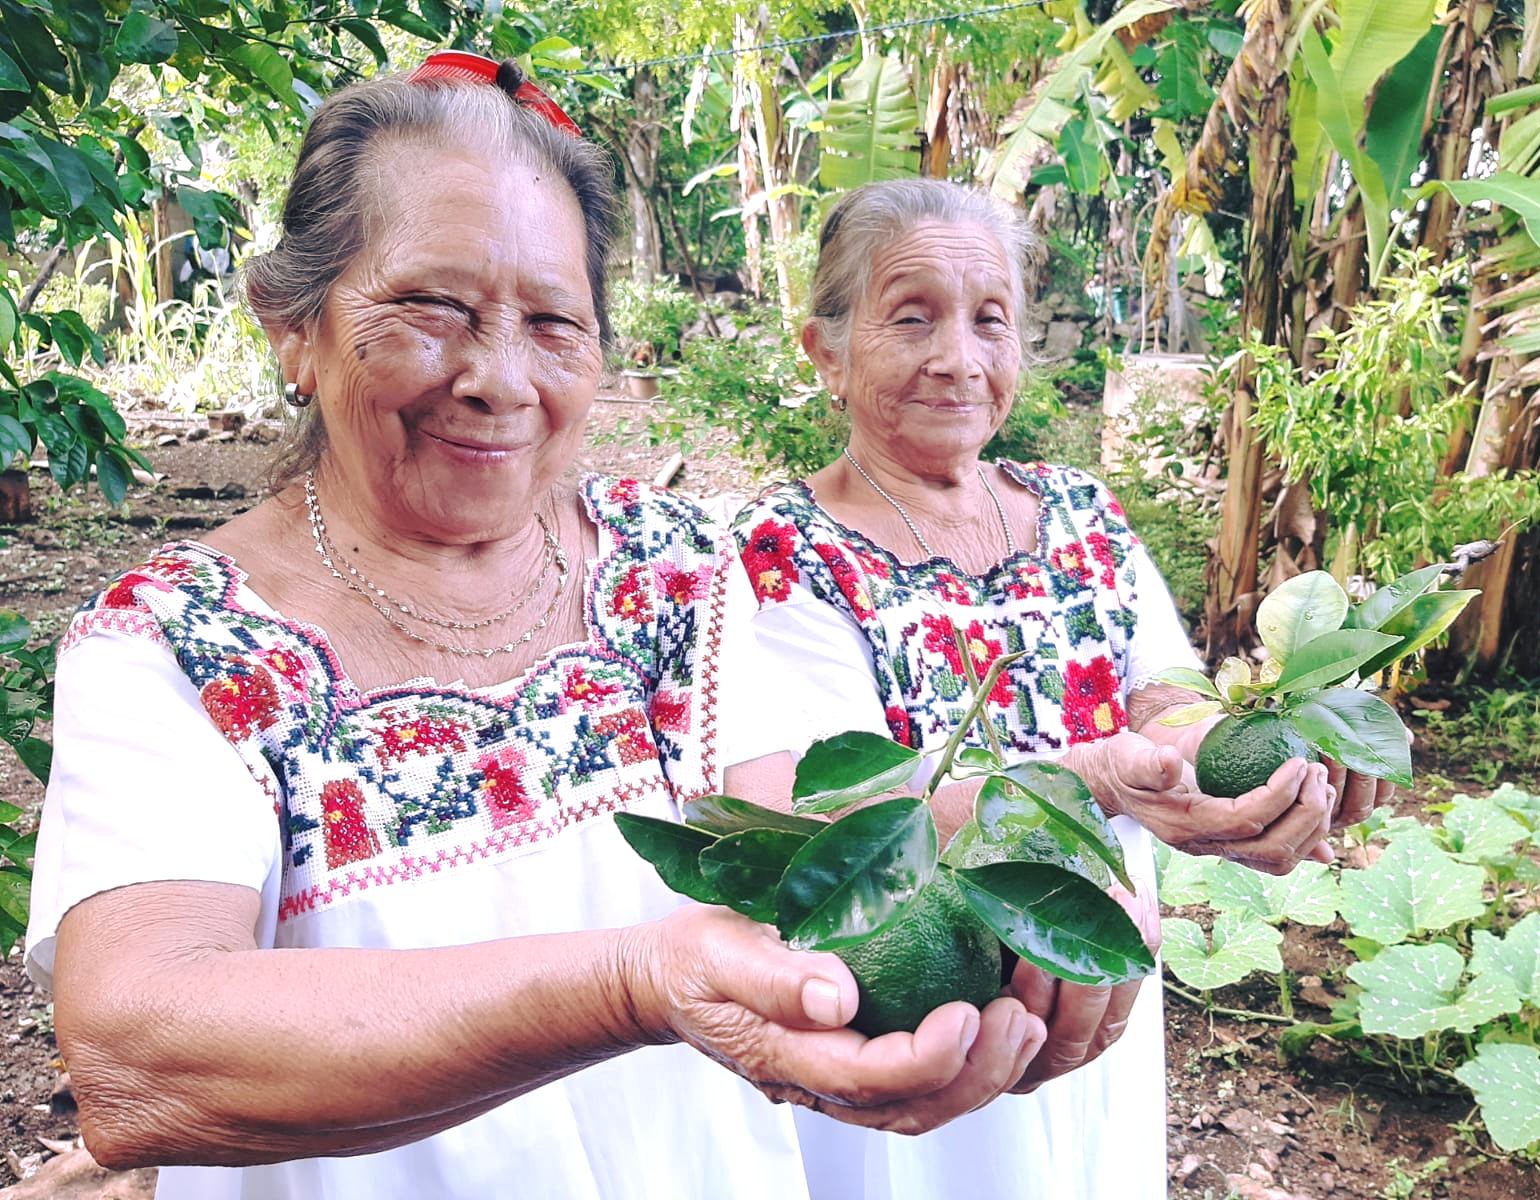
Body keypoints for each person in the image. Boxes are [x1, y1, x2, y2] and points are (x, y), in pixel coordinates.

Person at [23, 62, 1089, 1200]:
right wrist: (628, 982)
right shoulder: (178, 644)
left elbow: (810, 832)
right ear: (296, 329)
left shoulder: (677, 571)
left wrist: (1045, 859)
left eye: (552, 323)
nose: (498, 378)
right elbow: (139, 1053)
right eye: (432, 309)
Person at [731, 178, 1394, 1199]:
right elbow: (831, 819)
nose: (959, 357)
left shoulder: (1079, 509)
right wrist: (1104, 781)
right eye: (912, 318)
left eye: (989, 320)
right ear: (825, 347)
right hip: (918, 989)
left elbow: (1165, 689)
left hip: (1090, 966)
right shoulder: (779, 554)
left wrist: (1240, 757)